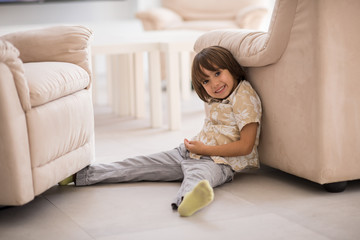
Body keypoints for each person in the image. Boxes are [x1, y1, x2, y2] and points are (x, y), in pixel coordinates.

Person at [59, 46, 262, 217]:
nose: (214, 83)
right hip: (190, 151)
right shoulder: (218, 97)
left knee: (198, 177)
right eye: (206, 81)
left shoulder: (243, 94)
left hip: (218, 162)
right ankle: (81, 175)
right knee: (138, 165)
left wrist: (206, 150)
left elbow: (246, 146)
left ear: (232, 69)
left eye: (217, 73)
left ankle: (188, 202)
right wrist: (197, 148)